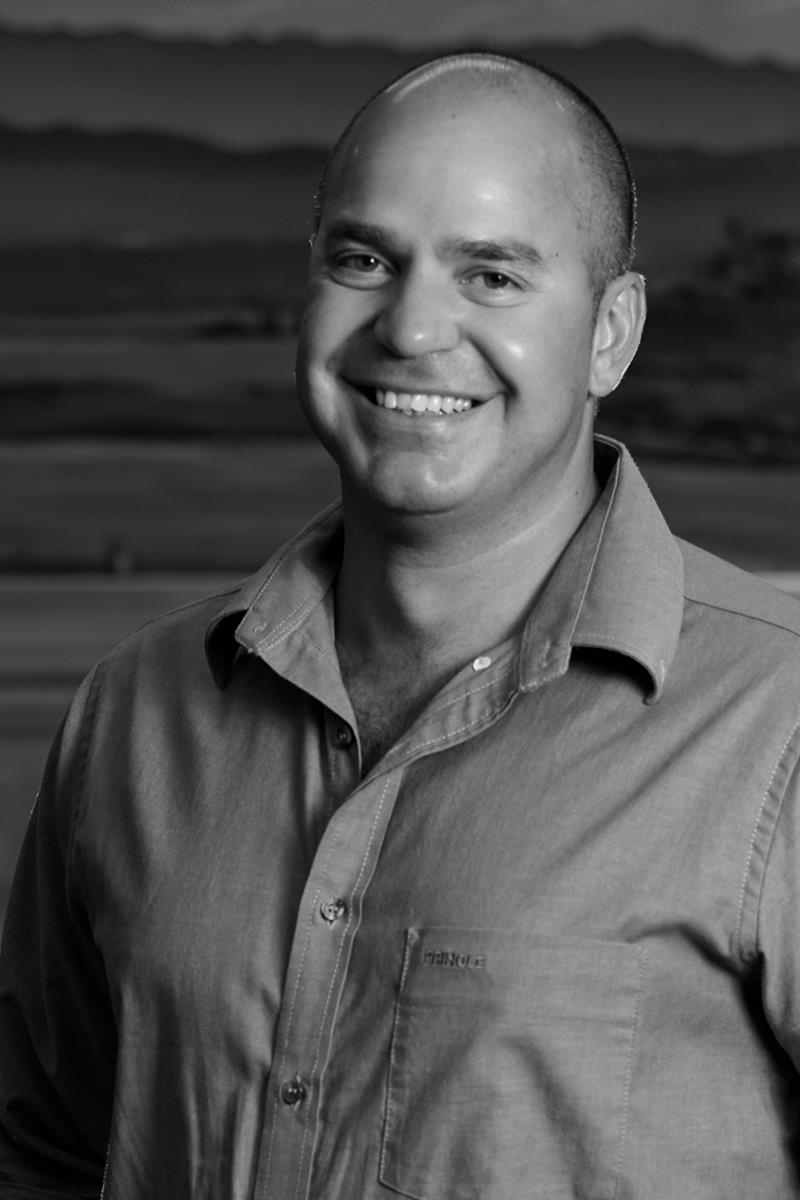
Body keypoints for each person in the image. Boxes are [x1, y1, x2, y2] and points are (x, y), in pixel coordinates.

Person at [2, 50, 800, 1200]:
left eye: (492, 275)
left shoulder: (775, 727)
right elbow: (41, 1156)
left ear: (610, 333)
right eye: (364, 259)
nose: (414, 327)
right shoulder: (129, 714)